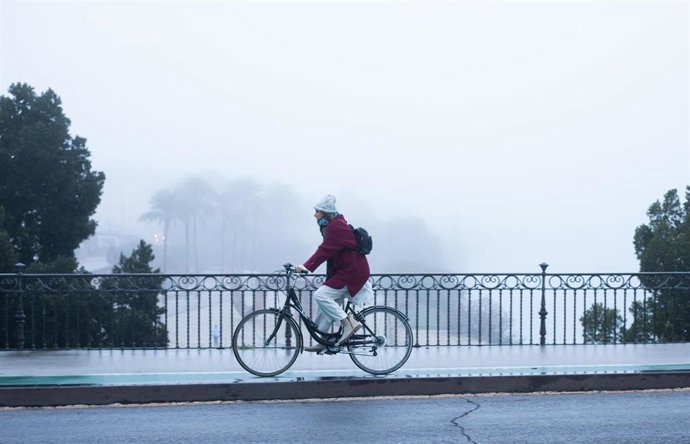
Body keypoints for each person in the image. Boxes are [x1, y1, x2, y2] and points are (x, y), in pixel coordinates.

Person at [296, 194, 374, 353]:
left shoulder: (335, 227)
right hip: (346, 272)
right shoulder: (334, 226)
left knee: (321, 295)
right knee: (323, 305)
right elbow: (330, 252)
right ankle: (324, 341)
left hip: (352, 273)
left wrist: (305, 267)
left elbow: (323, 251)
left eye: (317, 211)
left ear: (325, 213)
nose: (315, 214)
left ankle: (349, 323)